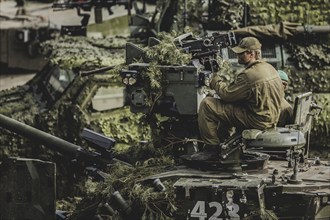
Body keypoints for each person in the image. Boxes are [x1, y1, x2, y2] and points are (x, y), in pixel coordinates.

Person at [194, 37, 284, 161]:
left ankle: (211, 149)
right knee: (226, 108)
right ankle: (224, 141)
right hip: (271, 118)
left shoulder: (249, 75)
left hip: (257, 120)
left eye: (241, 53)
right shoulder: (270, 68)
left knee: (208, 104)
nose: (237, 55)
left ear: (252, 54)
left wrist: (215, 80)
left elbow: (227, 94)